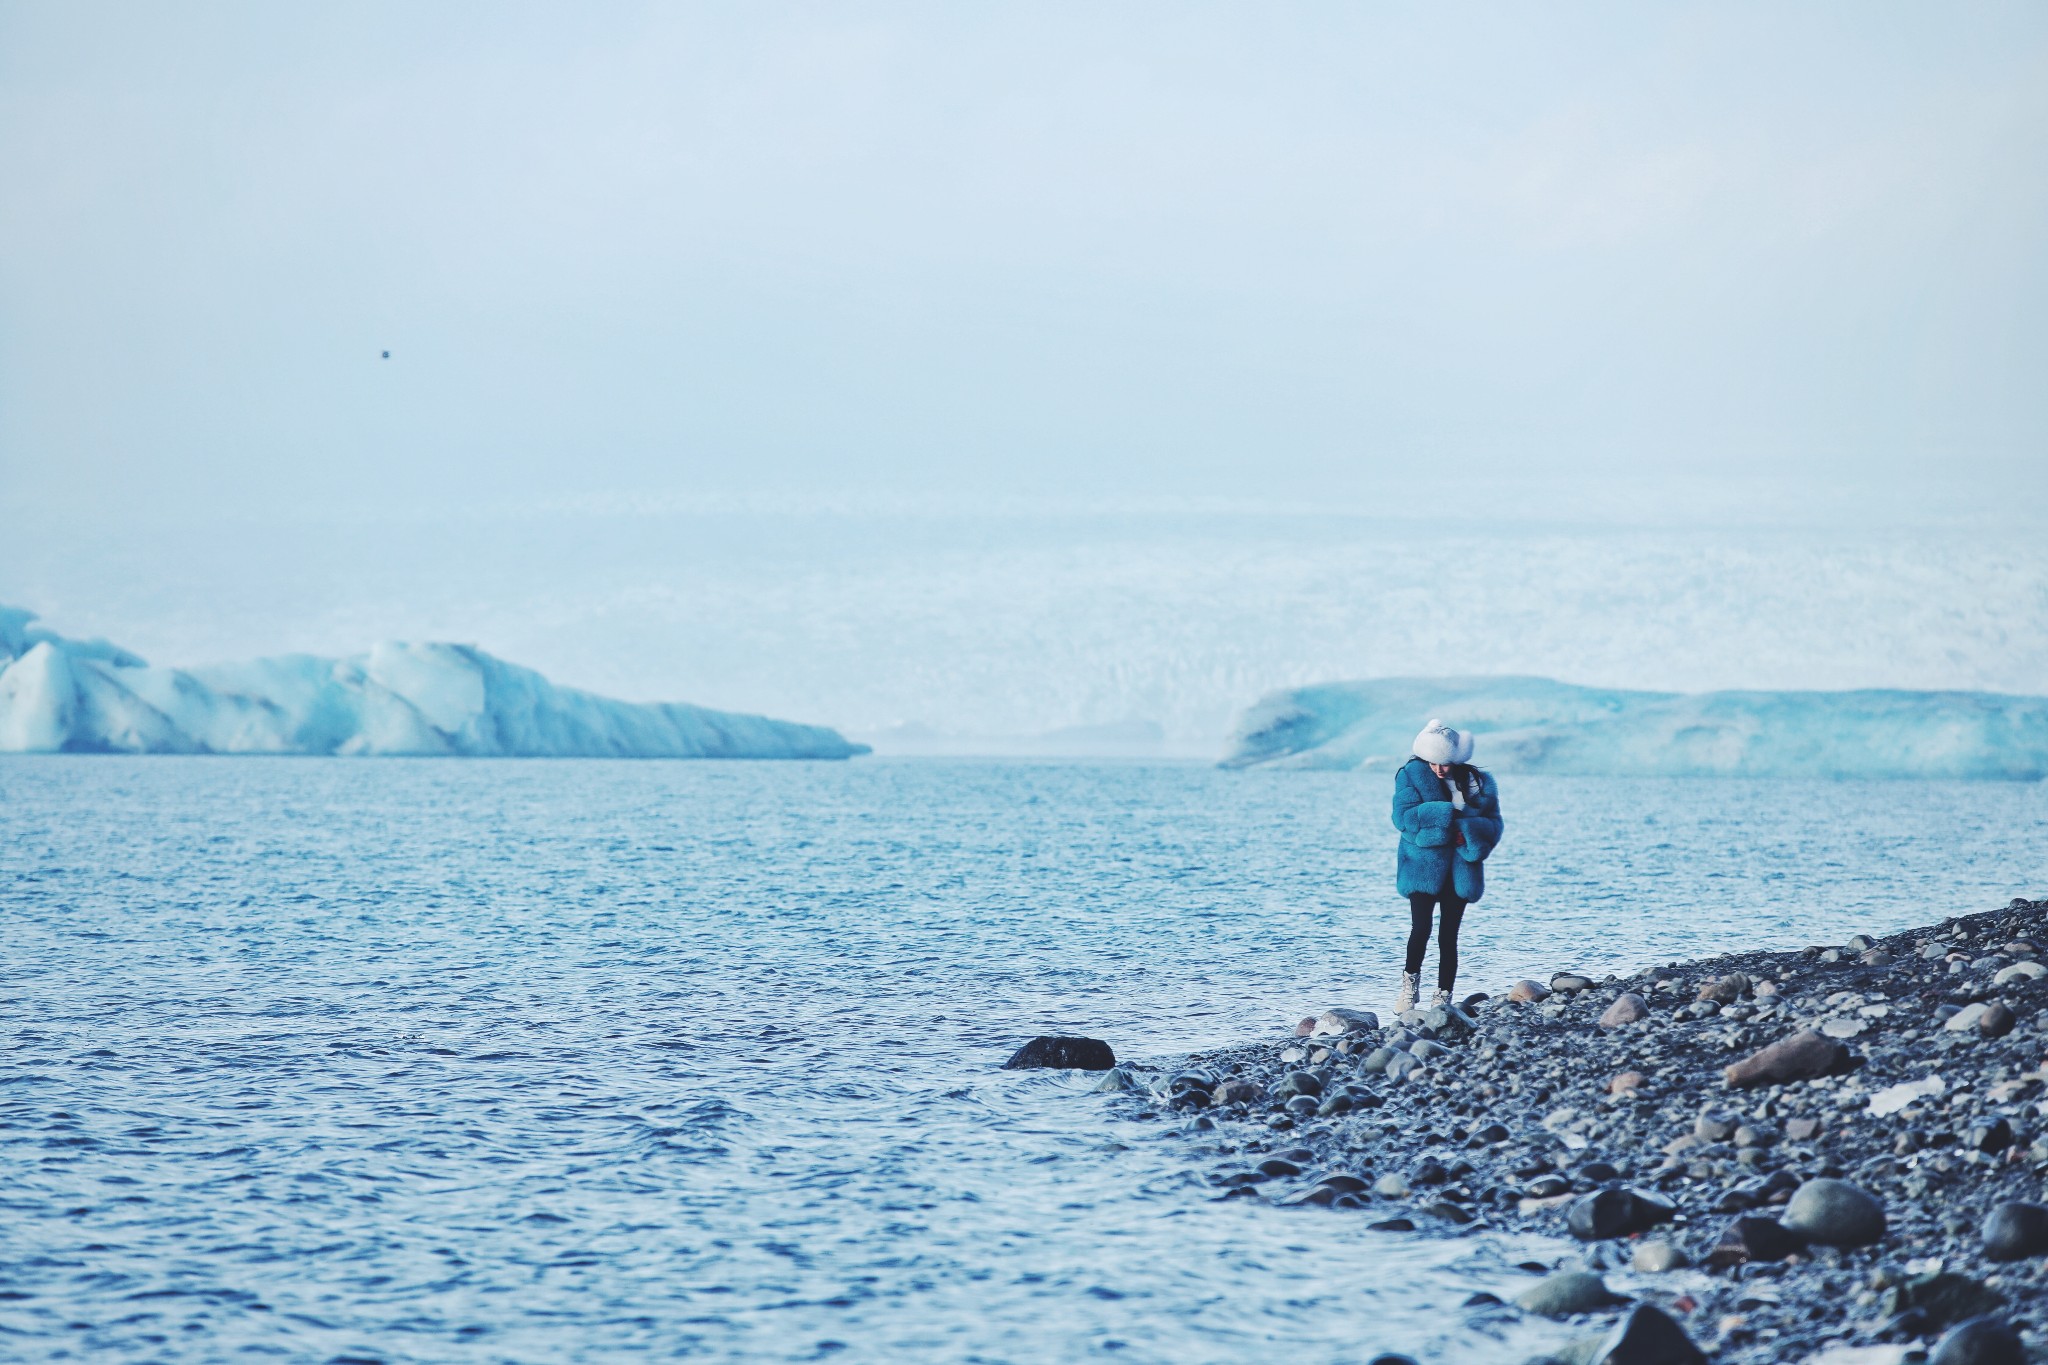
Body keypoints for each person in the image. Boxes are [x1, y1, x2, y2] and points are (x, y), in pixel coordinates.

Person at [1390, 719, 1504, 1012]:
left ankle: (1443, 998)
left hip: (1461, 869)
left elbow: (1493, 825)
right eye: (1433, 763)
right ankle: (1408, 991)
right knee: (1421, 929)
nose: (1439, 769)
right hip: (1421, 866)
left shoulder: (1479, 784)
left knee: (1448, 936)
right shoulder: (1410, 775)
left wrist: (1466, 833)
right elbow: (1403, 818)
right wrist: (1446, 817)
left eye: (1445, 763)